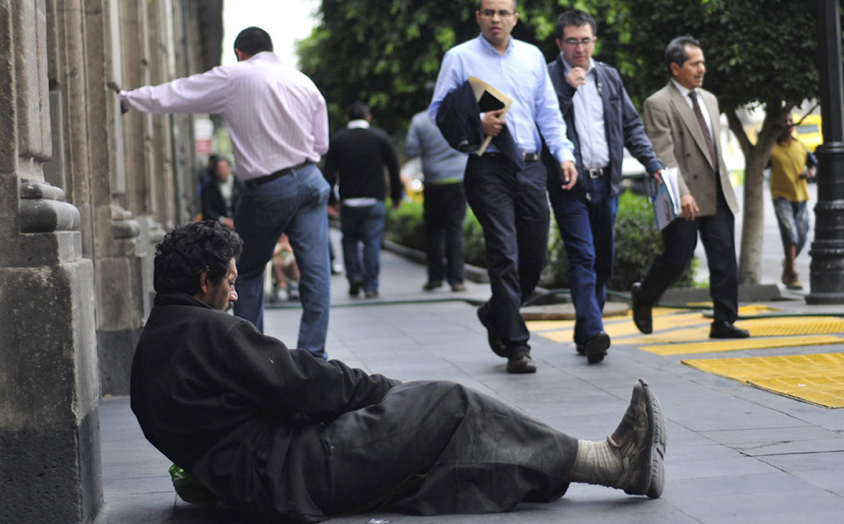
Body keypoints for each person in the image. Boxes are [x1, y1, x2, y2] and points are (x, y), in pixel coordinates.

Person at [130, 220, 667, 523]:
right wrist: (390, 391)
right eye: (228, 280)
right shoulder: (210, 332)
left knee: (440, 424)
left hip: (266, 480)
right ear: (204, 280)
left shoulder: (157, 343)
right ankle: (609, 463)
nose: (235, 292)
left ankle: (563, 469)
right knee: (449, 401)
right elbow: (307, 384)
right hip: (301, 473)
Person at [118, 27, 333, 359]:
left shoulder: (236, 76)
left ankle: (253, 358)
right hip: (310, 180)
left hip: (269, 187)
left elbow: (179, 92)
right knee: (316, 274)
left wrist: (129, 98)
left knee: (244, 272)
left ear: (239, 52)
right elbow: (321, 144)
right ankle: (314, 359)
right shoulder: (303, 81)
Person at [429, 0, 578, 374]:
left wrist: (563, 154)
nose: (496, 18)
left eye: (504, 12)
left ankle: (496, 311)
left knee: (534, 258)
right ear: (478, 16)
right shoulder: (459, 57)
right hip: (487, 166)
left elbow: (548, 113)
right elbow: (438, 113)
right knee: (504, 254)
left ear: (515, 17)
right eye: (489, 12)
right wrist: (477, 123)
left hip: (530, 166)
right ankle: (517, 346)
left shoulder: (531, 57)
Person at [545, 10, 664, 364]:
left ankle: (585, 332)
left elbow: (630, 126)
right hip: (570, 186)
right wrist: (568, 87)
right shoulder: (549, 78)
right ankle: (595, 330)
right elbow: (545, 121)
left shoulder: (608, 77)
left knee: (603, 263)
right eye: (571, 41)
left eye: (585, 40)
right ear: (559, 43)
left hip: (606, 183)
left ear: (594, 41)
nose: (579, 48)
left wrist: (652, 163)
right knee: (583, 257)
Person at [630, 36, 750, 339]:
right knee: (677, 258)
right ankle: (644, 295)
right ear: (675, 68)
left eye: (702, 62)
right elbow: (664, 153)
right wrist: (682, 191)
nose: (702, 69)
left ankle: (723, 321)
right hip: (681, 193)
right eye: (694, 63)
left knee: (724, 258)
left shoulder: (709, 99)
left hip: (717, 190)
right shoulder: (657, 103)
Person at [323, 102, 403, 299]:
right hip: (374, 200)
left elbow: (329, 173)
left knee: (349, 241)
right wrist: (396, 195)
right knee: (372, 243)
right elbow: (394, 168)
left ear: (347, 119)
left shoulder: (339, 139)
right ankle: (371, 285)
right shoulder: (380, 137)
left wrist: (331, 200)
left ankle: (354, 277)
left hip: (349, 201)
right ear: (368, 118)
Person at [406, 95, 469, 293]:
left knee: (433, 231)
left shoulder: (419, 120)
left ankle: (435, 278)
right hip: (458, 179)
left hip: (433, 180)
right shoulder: (459, 116)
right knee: (455, 229)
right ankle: (457, 279)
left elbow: (411, 149)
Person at [768, 115, 817, 290]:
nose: (788, 125)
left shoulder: (801, 146)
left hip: (801, 197)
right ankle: (793, 273)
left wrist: (810, 173)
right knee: (790, 233)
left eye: (790, 122)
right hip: (781, 196)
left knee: (802, 236)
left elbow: (813, 165)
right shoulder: (772, 149)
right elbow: (761, 166)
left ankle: (788, 264)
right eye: (784, 121)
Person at [200, 155, 244, 230]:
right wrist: (224, 221)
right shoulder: (209, 186)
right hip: (218, 226)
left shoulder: (240, 184)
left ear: (229, 168)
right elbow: (207, 209)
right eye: (219, 169)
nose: (222, 172)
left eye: (224, 168)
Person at [271, 234, 300, 302]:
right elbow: (273, 254)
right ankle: (282, 285)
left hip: (290, 264)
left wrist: (287, 247)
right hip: (280, 264)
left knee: (294, 263)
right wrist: (281, 248)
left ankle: (294, 284)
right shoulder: (277, 245)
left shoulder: (291, 245)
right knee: (278, 264)